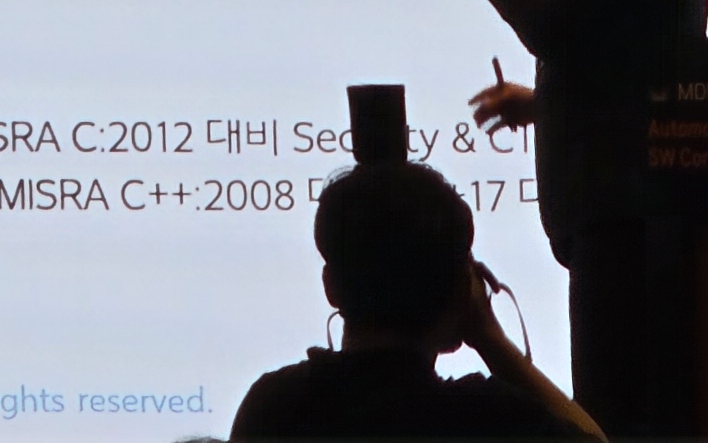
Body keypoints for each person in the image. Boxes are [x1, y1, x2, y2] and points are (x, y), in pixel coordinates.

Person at [461, 0, 708, 437]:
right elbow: (629, 62)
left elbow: (554, 25)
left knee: (614, 418)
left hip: (625, 219)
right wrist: (547, 103)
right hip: (633, 215)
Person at [231, 161, 600, 440]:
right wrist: (492, 340)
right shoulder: (487, 418)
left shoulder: (273, 407)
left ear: (331, 287)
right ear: (462, 292)